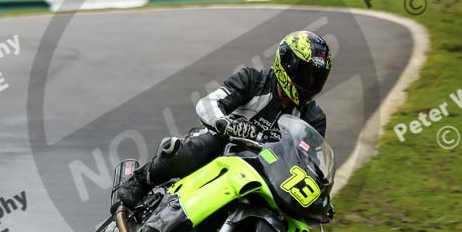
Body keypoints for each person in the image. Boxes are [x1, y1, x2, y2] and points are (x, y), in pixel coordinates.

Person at [116, 30, 334, 219]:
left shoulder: (314, 118)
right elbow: (208, 104)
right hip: (224, 146)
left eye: (317, 78)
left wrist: (322, 195)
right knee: (201, 146)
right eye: (306, 75)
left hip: (265, 170)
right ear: (286, 64)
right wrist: (226, 124)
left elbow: (311, 163)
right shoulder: (252, 80)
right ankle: (142, 179)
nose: (311, 83)